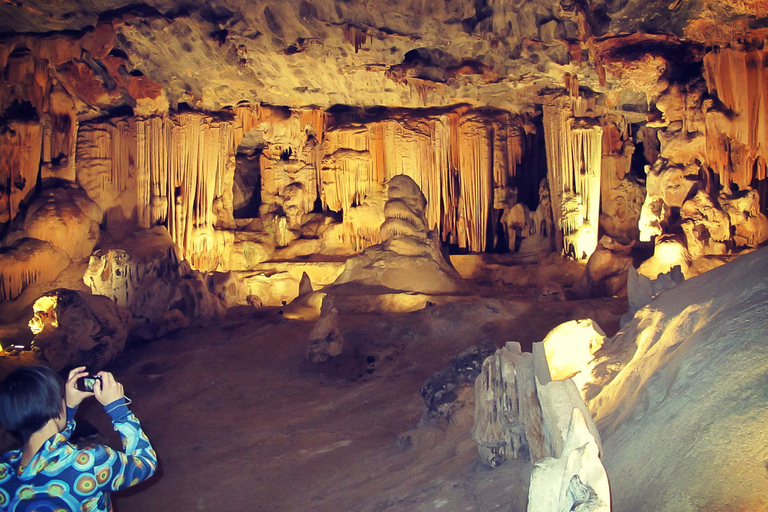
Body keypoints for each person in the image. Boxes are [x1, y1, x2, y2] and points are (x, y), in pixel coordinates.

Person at [0, 366, 157, 511]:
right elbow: (146, 463)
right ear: (54, 405)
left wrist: (67, 410)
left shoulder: (5, 470)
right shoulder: (90, 463)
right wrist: (119, 411)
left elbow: (50, 448)